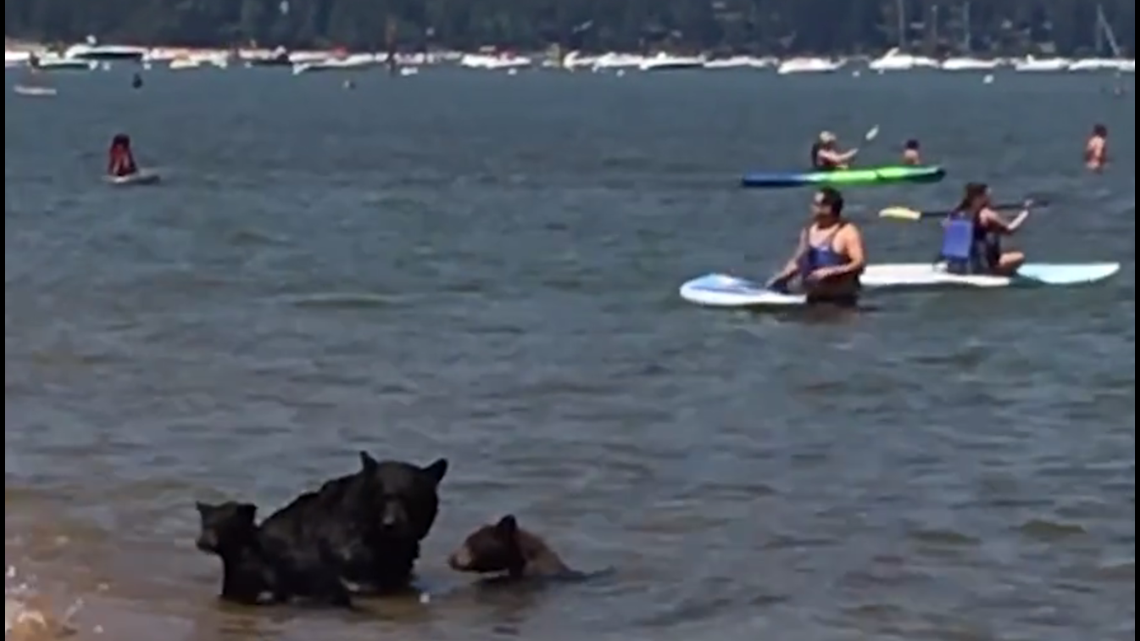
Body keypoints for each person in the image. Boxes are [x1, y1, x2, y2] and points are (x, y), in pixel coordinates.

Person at [766, 187, 866, 307]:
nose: (811, 208)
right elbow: (799, 260)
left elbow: (859, 264)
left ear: (828, 208)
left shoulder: (847, 232)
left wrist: (831, 271)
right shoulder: (808, 230)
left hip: (841, 301)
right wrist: (782, 277)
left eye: (816, 204)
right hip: (812, 298)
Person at [938, 182, 1029, 276]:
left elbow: (944, 224)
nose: (991, 198)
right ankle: (998, 273)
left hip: (957, 265)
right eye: (988, 195)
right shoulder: (987, 214)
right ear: (981, 197)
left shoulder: (956, 213)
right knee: (1019, 257)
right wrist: (1025, 213)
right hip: (984, 267)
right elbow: (1010, 230)